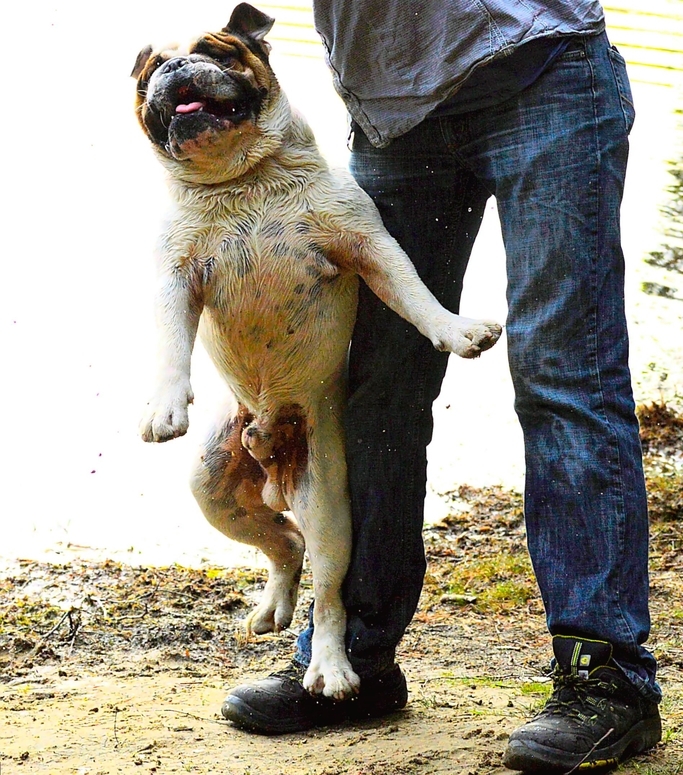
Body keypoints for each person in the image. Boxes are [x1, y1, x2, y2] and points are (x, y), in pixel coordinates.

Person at [222, 1, 663, 770]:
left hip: (541, 68)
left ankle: (606, 678)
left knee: (564, 374)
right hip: (393, 114)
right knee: (373, 387)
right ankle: (349, 654)